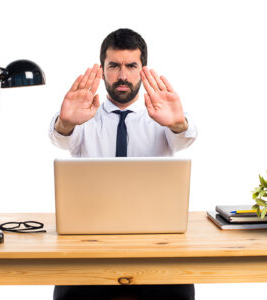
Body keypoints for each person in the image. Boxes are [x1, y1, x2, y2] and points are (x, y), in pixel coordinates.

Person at [49, 28, 197, 300]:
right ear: (102, 69)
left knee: (181, 292)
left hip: (155, 242)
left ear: (143, 70)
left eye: (131, 66)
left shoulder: (161, 115)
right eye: (113, 66)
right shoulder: (85, 115)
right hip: (89, 242)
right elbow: (61, 140)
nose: (122, 76)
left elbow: (185, 138)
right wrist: (66, 122)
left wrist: (178, 123)